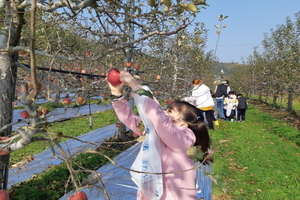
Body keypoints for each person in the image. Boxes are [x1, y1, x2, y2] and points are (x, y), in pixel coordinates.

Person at [106, 71, 211, 200]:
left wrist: (135, 85)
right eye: (166, 109)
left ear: (184, 124)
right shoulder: (156, 131)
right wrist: (116, 95)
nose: (165, 112)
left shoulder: (185, 139)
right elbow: (131, 120)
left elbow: (160, 120)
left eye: (170, 111)